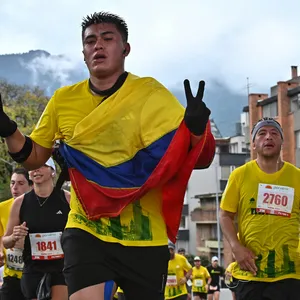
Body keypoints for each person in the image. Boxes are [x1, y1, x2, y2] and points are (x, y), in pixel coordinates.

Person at [0, 11, 215, 300]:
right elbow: (34, 157)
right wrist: (8, 128)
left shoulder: (151, 94)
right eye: (90, 41)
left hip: (144, 237)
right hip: (86, 229)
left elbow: (197, 159)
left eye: (107, 38)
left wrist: (197, 129)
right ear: (83, 53)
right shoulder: (63, 100)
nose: (97, 45)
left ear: (125, 49)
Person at [220, 117, 300, 300]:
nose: (268, 137)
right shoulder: (239, 175)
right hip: (250, 270)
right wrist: (235, 247)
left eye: (274, 133)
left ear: (282, 142)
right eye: (262, 134)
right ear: (254, 144)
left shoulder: (296, 177)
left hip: (289, 273)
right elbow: (225, 215)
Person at [2, 158, 70, 300]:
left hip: (61, 268)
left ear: (52, 171)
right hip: (33, 268)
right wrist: (14, 236)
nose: (36, 170)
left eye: (42, 166)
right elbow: (6, 241)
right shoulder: (20, 202)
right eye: (32, 167)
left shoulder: (67, 199)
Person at [0, 168, 33, 300]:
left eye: (20, 183)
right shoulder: (2, 207)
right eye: (12, 183)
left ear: (31, 185)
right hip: (10, 276)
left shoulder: (39, 207)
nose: (15, 187)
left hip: (33, 275)